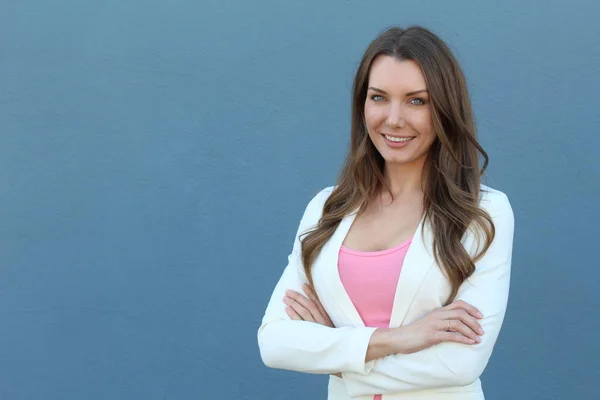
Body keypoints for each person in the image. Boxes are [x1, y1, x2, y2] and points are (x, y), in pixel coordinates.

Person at [257, 25, 515, 400]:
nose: (393, 119)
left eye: (416, 101)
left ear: (445, 108)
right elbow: (275, 342)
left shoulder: (483, 214)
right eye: (379, 98)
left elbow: (460, 364)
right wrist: (398, 339)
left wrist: (336, 359)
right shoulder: (328, 208)